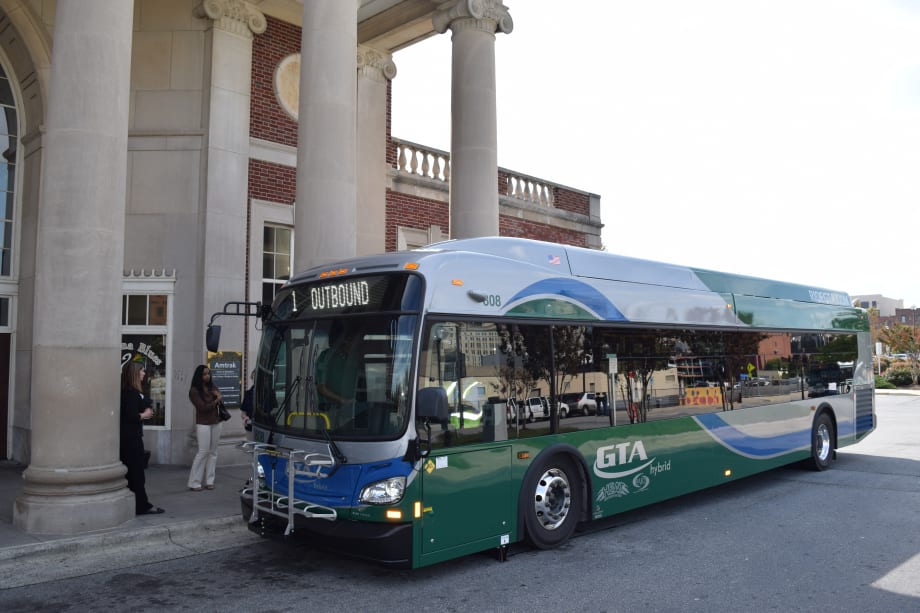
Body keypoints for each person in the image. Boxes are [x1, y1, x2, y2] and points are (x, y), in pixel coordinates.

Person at [120, 362, 164, 515]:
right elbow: (130, 416)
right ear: (135, 373)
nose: (144, 374)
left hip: (132, 436)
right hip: (130, 439)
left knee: (135, 473)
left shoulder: (132, 392)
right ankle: (141, 506)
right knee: (136, 473)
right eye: (142, 371)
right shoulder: (130, 392)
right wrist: (144, 415)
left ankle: (138, 504)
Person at [187, 364, 223, 491]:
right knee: (203, 452)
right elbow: (202, 408)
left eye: (208, 373)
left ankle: (209, 481)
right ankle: (194, 482)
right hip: (203, 423)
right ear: (199, 376)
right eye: (204, 374)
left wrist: (218, 399)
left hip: (216, 422)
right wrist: (216, 400)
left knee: (213, 452)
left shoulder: (213, 386)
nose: (207, 376)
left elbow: (220, 402)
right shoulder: (194, 391)